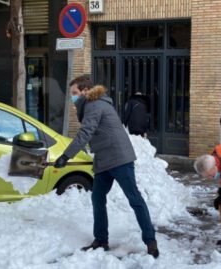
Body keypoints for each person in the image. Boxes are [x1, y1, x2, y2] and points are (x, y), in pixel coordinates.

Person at [54, 75, 159, 258]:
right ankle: (101, 240)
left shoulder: (94, 105)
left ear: (86, 91)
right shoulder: (92, 104)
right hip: (104, 159)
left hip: (119, 158)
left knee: (134, 198)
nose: (73, 97)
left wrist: (66, 156)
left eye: (75, 93)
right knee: (97, 197)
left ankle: (150, 241)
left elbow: (86, 132)